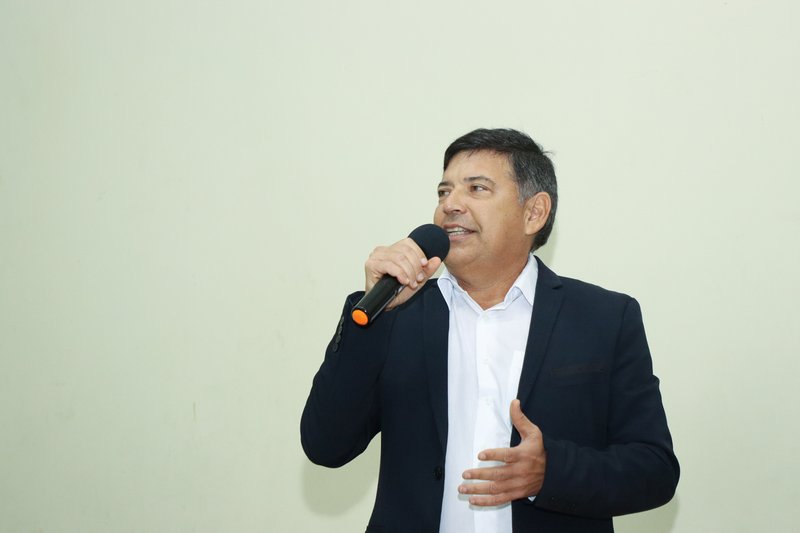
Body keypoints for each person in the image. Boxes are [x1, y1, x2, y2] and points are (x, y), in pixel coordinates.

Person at [301, 128, 679, 533]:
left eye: (476, 188)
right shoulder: (396, 315)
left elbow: (654, 470)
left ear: (534, 213)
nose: (450, 205)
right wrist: (370, 314)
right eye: (443, 192)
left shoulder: (603, 318)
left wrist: (551, 472)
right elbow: (326, 445)